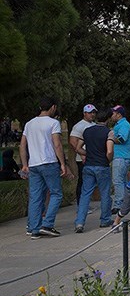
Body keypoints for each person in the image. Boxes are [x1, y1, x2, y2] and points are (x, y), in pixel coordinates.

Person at [20, 97, 69, 239]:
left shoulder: (29, 124)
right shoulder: (53, 123)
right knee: (56, 194)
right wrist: (63, 164)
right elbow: (57, 144)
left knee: (35, 197)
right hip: (49, 162)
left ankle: (34, 229)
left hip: (33, 164)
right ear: (53, 107)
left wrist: (24, 164)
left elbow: (22, 145)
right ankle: (47, 224)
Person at [74, 108, 115, 232]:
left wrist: (88, 154)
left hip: (88, 165)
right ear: (108, 119)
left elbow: (78, 148)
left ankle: (80, 222)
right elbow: (109, 150)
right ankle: (105, 219)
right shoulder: (109, 132)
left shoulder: (87, 131)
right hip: (102, 165)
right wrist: (107, 159)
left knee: (85, 194)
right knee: (105, 193)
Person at [69, 104, 97, 204]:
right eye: (90, 112)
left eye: (94, 112)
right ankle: (81, 203)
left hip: (93, 157)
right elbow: (73, 141)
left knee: (91, 181)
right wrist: (82, 153)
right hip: (82, 158)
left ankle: (87, 202)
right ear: (84, 113)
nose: (92, 115)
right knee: (82, 181)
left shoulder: (94, 125)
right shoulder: (79, 126)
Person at [110, 105, 130, 216]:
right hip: (122, 156)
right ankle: (125, 202)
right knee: (122, 181)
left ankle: (119, 204)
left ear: (119, 114)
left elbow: (121, 139)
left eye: (113, 113)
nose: (112, 115)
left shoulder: (124, 125)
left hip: (121, 156)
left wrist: (109, 137)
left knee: (117, 180)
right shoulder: (120, 124)